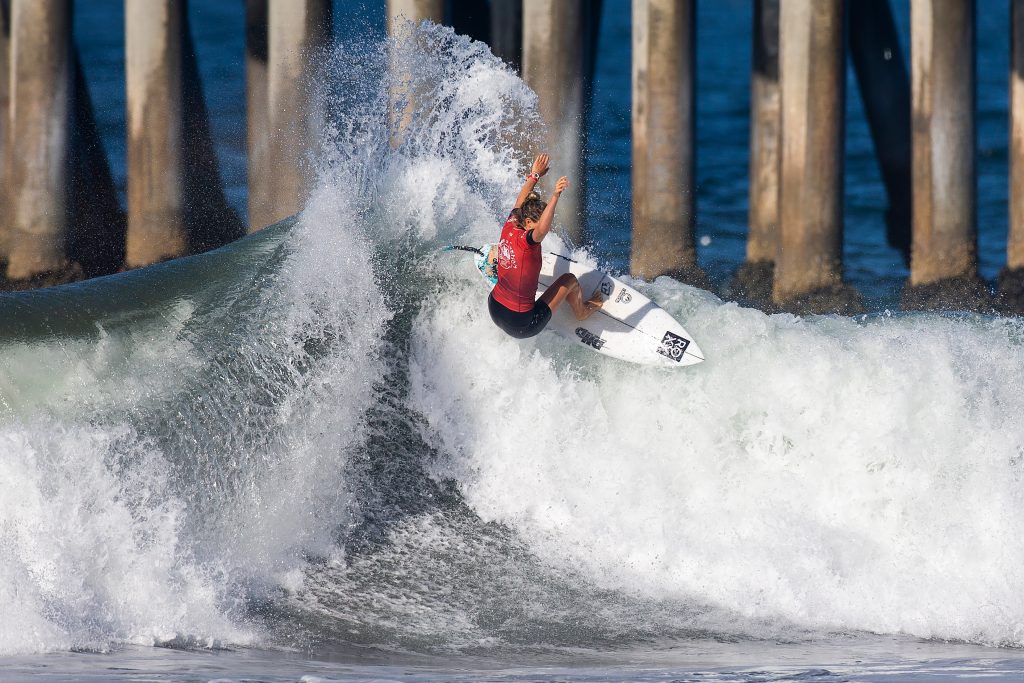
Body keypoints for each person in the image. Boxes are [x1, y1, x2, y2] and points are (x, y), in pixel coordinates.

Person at [487, 153, 603, 339]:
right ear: (527, 221)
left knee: (498, 251)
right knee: (569, 279)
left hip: (494, 308)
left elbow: (520, 201)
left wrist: (535, 175)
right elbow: (541, 229)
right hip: (522, 325)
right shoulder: (528, 243)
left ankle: (493, 266)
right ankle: (582, 312)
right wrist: (555, 195)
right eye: (538, 222)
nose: (544, 228)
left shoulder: (511, 222)